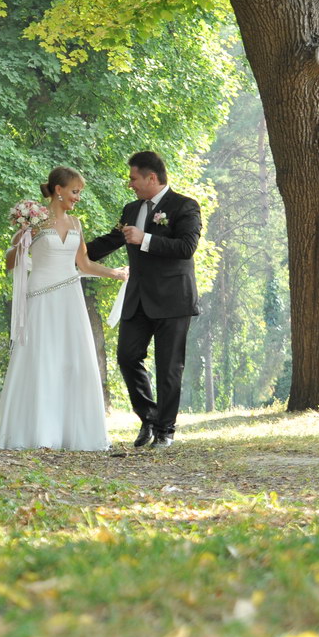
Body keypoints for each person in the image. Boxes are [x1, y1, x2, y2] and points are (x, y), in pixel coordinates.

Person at [0, 167, 128, 451]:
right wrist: (24, 238)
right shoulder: (36, 222)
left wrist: (114, 273)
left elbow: (84, 264)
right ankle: (39, 433)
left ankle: (75, 434)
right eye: (75, 191)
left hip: (70, 297)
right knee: (42, 359)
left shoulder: (76, 223)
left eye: (79, 192)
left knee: (73, 360)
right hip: (41, 297)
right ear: (58, 190)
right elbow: (9, 262)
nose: (78, 197)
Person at [87, 152, 202, 448]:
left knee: (169, 366)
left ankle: (165, 430)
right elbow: (111, 241)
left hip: (173, 300)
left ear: (152, 177)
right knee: (127, 357)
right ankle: (149, 417)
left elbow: (186, 247)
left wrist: (145, 239)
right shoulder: (131, 209)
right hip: (138, 298)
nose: (130, 184)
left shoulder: (185, 206)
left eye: (133, 178)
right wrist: (66, 247)